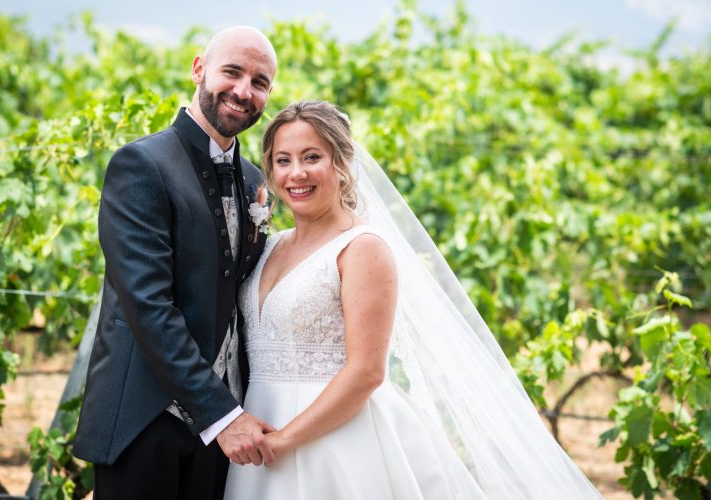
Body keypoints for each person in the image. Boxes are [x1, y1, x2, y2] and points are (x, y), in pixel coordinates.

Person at [223, 101, 604, 499]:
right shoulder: (269, 246)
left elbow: (367, 371)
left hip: (330, 440)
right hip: (257, 431)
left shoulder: (362, 248)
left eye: (312, 157)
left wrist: (284, 440)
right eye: (283, 160)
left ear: (341, 164)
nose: (296, 172)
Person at [73, 26, 279, 499]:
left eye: (260, 81)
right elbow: (148, 304)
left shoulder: (254, 181)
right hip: (144, 421)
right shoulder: (140, 164)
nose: (243, 91)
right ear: (198, 68)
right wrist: (221, 415)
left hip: (225, 430)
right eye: (232, 72)